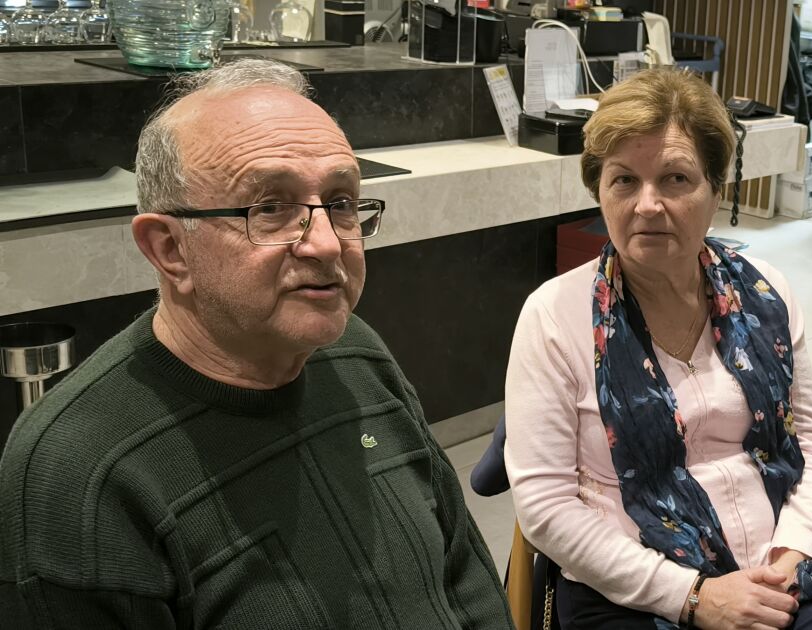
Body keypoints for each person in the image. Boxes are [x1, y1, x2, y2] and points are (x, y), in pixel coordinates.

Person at [0, 60, 511, 629]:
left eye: (341, 202)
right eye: (270, 208)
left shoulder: (356, 352)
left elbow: (464, 575)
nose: (326, 244)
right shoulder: (79, 473)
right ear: (170, 249)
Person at [504, 68, 812, 630]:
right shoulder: (555, 317)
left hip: (777, 573)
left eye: (676, 178)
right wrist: (696, 597)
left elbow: (810, 444)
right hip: (632, 590)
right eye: (623, 180)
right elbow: (545, 507)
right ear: (599, 191)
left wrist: (792, 553)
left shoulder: (766, 295)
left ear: (715, 190)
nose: (647, 204)